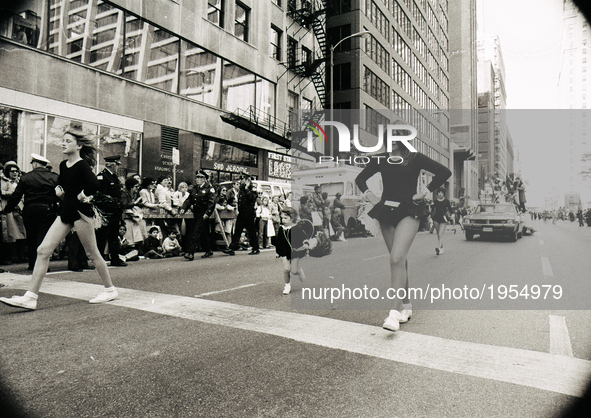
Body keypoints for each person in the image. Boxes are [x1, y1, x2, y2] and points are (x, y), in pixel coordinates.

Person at [0, 124, 117, 310]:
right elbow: (65, 187)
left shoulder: (81, 165)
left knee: (92, 253)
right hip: (66, 212)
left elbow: (94, 185)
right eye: (63, 141)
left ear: (78, 146)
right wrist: (61, 194)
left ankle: (110, 289)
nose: (63, 144)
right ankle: (31, 297)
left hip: (80, 213)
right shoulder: (64, 165)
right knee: (43, 250)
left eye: (68, 141)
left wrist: (80, 195)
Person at [355, 141, 451, 331]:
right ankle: (406, 306)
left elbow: (444, 172)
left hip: (409, 211)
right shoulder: (381, 159)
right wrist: (370, 196)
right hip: (386, 213)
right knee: (399, 261)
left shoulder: (414, 157)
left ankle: (393, 313)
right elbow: (360, 179)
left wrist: (425, 191)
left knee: (396, 258)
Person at [1, 154, 59, 270]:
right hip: (48, 210)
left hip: (30, 210)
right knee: (44, 238)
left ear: (36, 163)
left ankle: (33, 264)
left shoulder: (26, 177)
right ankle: (43, 265)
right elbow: (60, 194)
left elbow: (16, 196)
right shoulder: (54, 177)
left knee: (31, 238)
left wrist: (7, 209)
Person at [95, 155, 127, 267]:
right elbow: (100, 195)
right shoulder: (102, 176)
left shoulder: (114, 177)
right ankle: (99, 259)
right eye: (116, 165)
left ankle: (115, 258)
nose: (117, 167)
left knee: (114, 236)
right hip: (106, 212)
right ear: (110, 164)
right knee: (102, 236)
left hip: (114, 212)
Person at [180, 170, 216, 260]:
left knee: (195, 232)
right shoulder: (194, 188)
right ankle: (208, 250)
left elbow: (212, 203)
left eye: (200, 177)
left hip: (204, 214)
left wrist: (207, 213)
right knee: (202, 233)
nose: (198, 179)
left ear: (204, 179)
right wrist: (183, 208)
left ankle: (190, 252)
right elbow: (189, 200)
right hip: (196, 213)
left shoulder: (209, 189)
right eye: (197, 177)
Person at [272, 208, 309, 295]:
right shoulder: (281, 229)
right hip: (284, 251)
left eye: (286, 218)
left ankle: (299, 271)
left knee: (294, 271)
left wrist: (306, 244)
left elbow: (304, 237)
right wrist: (278, 252)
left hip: (295, 251)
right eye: (282, 218)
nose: (283, 220)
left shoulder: (296, 228)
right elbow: (279, 241)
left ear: (292, 218)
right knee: (286, 269)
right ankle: (287, 285)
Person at [0, 161, 27, 264]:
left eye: (16, 171)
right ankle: (13, 256)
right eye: (12, 171)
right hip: (9, 210)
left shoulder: (20, 181)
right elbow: (2, 192)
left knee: (22, 233)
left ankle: (21, 255)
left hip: (20, 209)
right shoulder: (4, 181)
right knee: (12, 234)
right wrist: (11, 193)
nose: (15, 173)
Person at [226, 175, 260, 255]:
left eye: (242, 179)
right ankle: (232, 248)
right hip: (242, 213)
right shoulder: (241, 188)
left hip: (249, 213)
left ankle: (255, 248)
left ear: (247, 180)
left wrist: (247, 189)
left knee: (251, 231)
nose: (241, 181)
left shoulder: (252, 188)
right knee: (237, 231)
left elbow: (252, 198)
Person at [431, 187, 452, 255]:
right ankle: (441, 248)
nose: (440, 194)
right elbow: (432, 210)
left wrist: (451, 215)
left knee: (440, 234)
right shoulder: (435, 201)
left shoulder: (446, 201)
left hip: (443, 218)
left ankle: (438, 248)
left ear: (444, 194)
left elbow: (450, 210)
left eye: (441, 193)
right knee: (438, 234)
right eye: (439, 193)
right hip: (436, 218)